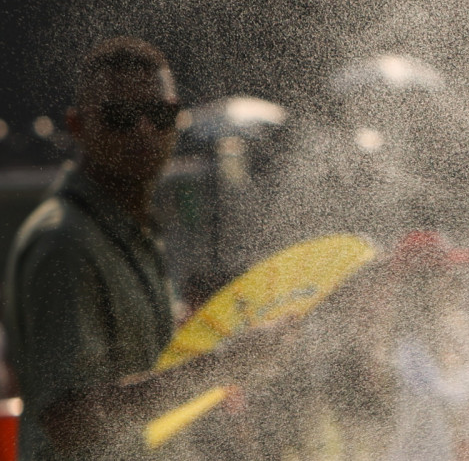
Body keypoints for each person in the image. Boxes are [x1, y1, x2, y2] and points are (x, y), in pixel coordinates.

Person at [4, 37, 278, 460]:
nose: (144, 131)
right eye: (120, 117)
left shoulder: (131, 232)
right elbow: (67, 420)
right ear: (77, 127)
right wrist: (221, 365)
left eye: (159, 114)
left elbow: (145, 388)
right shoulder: (65, 243)